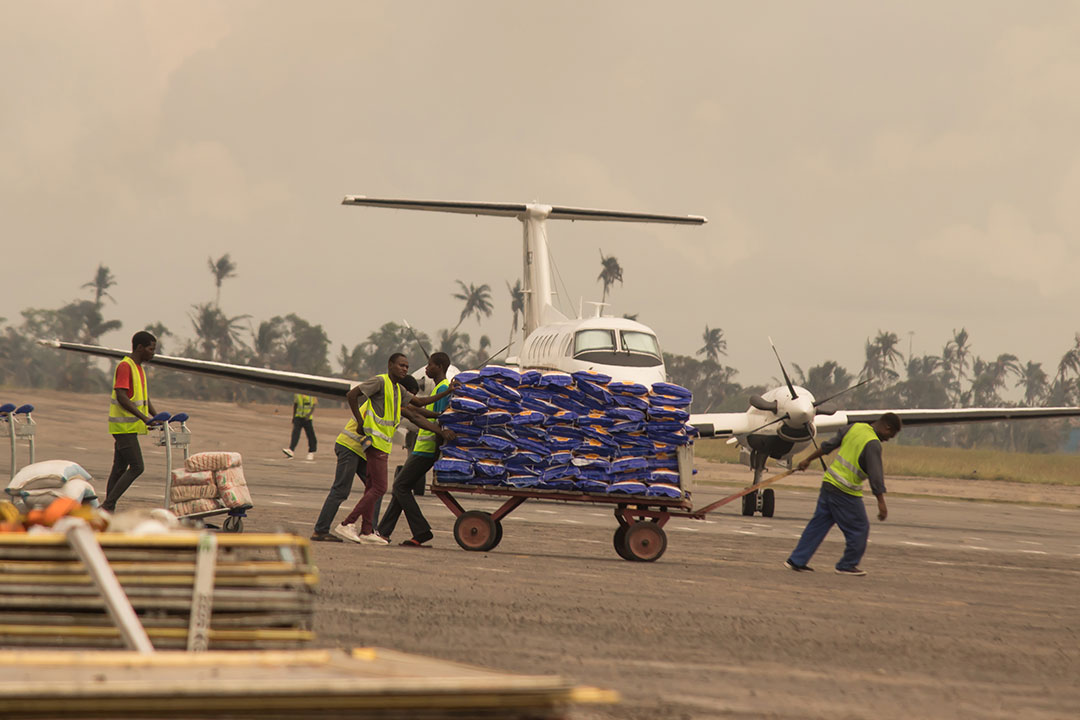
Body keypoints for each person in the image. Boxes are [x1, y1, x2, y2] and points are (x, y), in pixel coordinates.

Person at [310, 353, 454, 544]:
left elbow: (418, 409)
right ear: (390, 365)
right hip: (351, 445)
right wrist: (360, 422)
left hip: (367, 448)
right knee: (343, 490)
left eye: (407, 366)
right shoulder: (381, 383)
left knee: (375, 490)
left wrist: (440, 414)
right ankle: (323, 530)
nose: (404, 368)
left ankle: (368, 530)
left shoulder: (396, 393)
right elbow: (352, 394)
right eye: (401, 365)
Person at [784, 413, 902, 576]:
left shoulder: (855, 427)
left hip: (829, 483)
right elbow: (876, 476)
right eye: (891, 434)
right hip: (844, 491)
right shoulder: (873, 444)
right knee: (860, 528)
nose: (889, 438)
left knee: (818, 525)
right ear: (887, 427)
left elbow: (828, 446)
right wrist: (881, 503)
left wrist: (807, 460)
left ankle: (796, 560)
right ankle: (847, 564)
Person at [377, 352, 454, 546]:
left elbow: (442, 421)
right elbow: (421, 410)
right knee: (401, 487)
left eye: (430, 365)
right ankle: (383, 532)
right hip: (423, 447)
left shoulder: (443, 386)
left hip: (427, 449)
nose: (426, 368)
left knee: (400, 487)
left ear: (440, 366)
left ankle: (421, 532)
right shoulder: (440, 388)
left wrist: (438, 451)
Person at [101, 331, 160, 513]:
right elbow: (121, 395)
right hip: (123, 426)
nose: (153, 353)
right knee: (137, 467)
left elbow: (143, 398)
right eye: (151, 349)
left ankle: (107, 509)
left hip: (129, 427)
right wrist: (144, 418)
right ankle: (108, 505)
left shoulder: (139, 368)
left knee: (119, 468)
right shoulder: (126, 366)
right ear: (140, 347)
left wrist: (157, 417)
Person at [282, 394, 318, 461]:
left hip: (307, 418)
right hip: (298, 417)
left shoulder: (312, 395)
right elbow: (295, 405)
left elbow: (313, 405)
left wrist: (309, 414)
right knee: (295, 434)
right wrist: (294, 417)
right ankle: (291, 450)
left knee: (310, 435)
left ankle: (311, 452)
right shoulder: (297, 394)